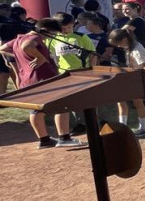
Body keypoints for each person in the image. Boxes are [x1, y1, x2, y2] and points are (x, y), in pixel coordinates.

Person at [0, 20, 85, 148]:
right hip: (43, 77)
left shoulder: (19, 38)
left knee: (36, 110)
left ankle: (44, 140)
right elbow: (27, 47)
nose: (50, 37)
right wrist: (40, 57)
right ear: (45, 30)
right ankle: (64, 137)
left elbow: (3, 48)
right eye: (52, 34)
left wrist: (20, 56)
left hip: (28, 79)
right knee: (62, 105)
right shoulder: (35, 38)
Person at [108, 28, 145, 136]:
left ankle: (143, 128)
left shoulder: (137, 50)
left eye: (118, 43)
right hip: (129, 78)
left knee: (138, 102)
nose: (118, 46)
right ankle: (122, 127)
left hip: (137, 79)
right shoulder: (129, 47)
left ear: (124, 39)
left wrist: (137, 73)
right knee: (120, 101)